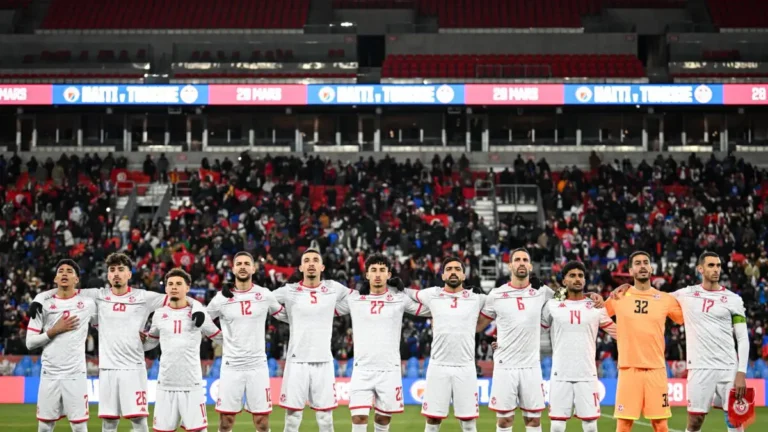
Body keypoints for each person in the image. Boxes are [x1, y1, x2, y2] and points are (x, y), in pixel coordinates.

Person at [30, 252, 206, 432]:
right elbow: (64, 289)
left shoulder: (143, 297)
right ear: (107, 275)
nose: (116, 273)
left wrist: (198, 308)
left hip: (133, 368)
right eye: (112, 270)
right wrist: (39, 298)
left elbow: (181, 298)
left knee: (139, 422)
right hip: (107, 369)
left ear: (129, 274)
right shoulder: (98, 295)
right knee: (109, 423)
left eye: (121, 270)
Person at [615, 252, 749, 432]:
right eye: (711, 265)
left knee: (735, 419)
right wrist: (629, 288)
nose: (716, 269)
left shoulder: (734, 299)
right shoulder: (686, 294)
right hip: (699, 368)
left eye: (718, 265)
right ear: (700, 269)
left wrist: (741, 372)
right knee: (695, 421)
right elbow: (653, 297)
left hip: (729, 367)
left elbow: (742, 338)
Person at [476, 248, 604, 432]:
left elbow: (571, 297)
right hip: (505, 365)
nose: (521, 263)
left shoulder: (543, 291)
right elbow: (479, 326)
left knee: (534, 421)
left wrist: (592, 296)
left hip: (531, 366)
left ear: (530, 265)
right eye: (517, 260)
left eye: (525, 260)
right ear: (510, 265)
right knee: (504, 421)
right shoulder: (496, 294)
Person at [334, 254, 430, 432]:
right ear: (367, 275)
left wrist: (406, 291)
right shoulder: (354, 299)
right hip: (362, 368)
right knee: (359, 416)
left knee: (383, 418)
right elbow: (325, 310)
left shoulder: (399, 298)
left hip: (389, 369)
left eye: (382, 270)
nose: (378, 274)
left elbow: (428, 309)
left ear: (389, 275)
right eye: (373, 270)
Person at [272, 248, 352, 432]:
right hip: (296, 360)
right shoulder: (289, 290)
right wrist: (287, 316)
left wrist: (334, 311)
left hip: (323, 360)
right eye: (306, 260)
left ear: (322, 266)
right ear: (301, 267)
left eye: (315, 260)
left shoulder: (333, 287)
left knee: (325, 419)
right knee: (292, 418)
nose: (311, 263)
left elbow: (357, 298)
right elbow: (264, 300)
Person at [605, 251, 684, 432]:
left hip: (656, 369)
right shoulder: (619, 297)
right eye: (638, 263)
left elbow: (686, 317)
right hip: (628, 369)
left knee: (661, 425)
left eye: (645, 262)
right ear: (631, 271)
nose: (642, 266)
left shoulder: (665, 299)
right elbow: (597, 315)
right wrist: (617, 332)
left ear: (651, 268)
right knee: (624, 425)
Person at [407, 256, 485, 432]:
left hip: (465, 366)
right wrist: (395, 286)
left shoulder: (477, 298)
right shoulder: (433, 294)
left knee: (469, 423)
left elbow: (500, 310)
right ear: (443, 276)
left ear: (464, 275)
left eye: (457, 269)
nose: (453, 272)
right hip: (438, 366)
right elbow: (410, 294)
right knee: (433, 420)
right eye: (449, 269)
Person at [210, 252, 286, 432]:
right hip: (231, 366)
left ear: (253, 268)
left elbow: (284, 315)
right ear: (233, 268)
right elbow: (203, 320)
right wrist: (221, 338)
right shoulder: (222, 298)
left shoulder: (264, 294)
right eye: (239, 264)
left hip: (257, 366)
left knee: (262, 422)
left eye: (246, 263)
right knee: (226, 421)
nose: (243, 266)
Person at [141, 268, 222, 432]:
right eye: (170, 284)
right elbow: (151, 344)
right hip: (165, 384)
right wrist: (141, 341)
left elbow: (219, 337)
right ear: (165, 289)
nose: (174, 287)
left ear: (187, 288)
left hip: (191, 385)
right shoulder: (159, 314)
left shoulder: (198, 313)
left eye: (179, 283)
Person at [541, 261, 617, 432]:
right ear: (564, 281)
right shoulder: (552, 305)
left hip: (587, 374)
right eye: (572, 275)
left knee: (590, 426)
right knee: (557, 426)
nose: (577, 279)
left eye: (581, 275)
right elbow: (535, 330)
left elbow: (617, 332)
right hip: (560, 373)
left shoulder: (596, 307)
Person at [25, 259, 98, 432]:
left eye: (69, 271)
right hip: (50, 374)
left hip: (75, 374)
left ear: (77, 280)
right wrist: (54, 330)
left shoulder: (88, 304)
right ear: (56, 279)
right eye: (61, 271)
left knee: (79, 426)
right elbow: (29, 343)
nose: (64, 273)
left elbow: (104, 327)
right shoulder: (42, 305)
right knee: (44, 426)